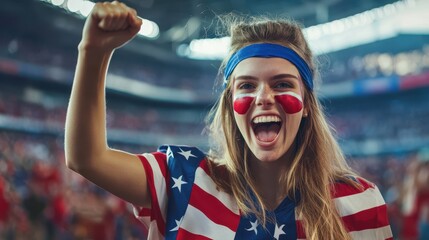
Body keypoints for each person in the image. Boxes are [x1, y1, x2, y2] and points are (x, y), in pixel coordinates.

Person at [64, 1, 393, 239]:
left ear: (307, 104)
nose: (263, 97)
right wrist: (93, 51)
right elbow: (86, 158)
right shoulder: (187, 181)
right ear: (229, 105)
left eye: (282, 84)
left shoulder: (358, 203)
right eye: (247, 86)